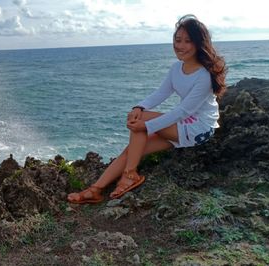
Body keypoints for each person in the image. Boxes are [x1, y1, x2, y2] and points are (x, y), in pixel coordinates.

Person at [67, 14, 226, 204]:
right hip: (181, 126)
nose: (180, 45)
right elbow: (161, 93)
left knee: (140, 125)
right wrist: (139, 106)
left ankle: (130, 175)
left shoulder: (203, 76)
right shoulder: (177, 68)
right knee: (134, 148)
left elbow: (183, 111)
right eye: (177, 40)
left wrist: (147, 125)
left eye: (187, 41)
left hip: (199, 128)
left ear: (199, 44)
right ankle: (95, 189)